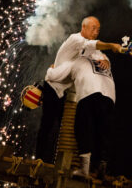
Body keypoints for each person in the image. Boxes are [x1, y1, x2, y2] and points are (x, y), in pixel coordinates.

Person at [35, 17, 121, 163]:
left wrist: (106, 61)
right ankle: (39, 158)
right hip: (55, 85)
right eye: (93, 28)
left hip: (69, 92)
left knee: (69, 129)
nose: (96, 32)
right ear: (83, 27)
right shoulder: (75, 39)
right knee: (48, 124)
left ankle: (72, 163)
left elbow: (101, 55)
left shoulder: (91, 48)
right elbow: (93, 45)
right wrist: (111, 45)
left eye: (98, 29)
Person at [45, 48, 116, 179]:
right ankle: (102, 167)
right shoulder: (100, 57)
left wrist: (51, 68)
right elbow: (104, 57)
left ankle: (84, 169)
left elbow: (54, 76)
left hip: (89, 92)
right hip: (110, 96)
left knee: (82, 128)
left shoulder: (74, 61)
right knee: (103, 131)